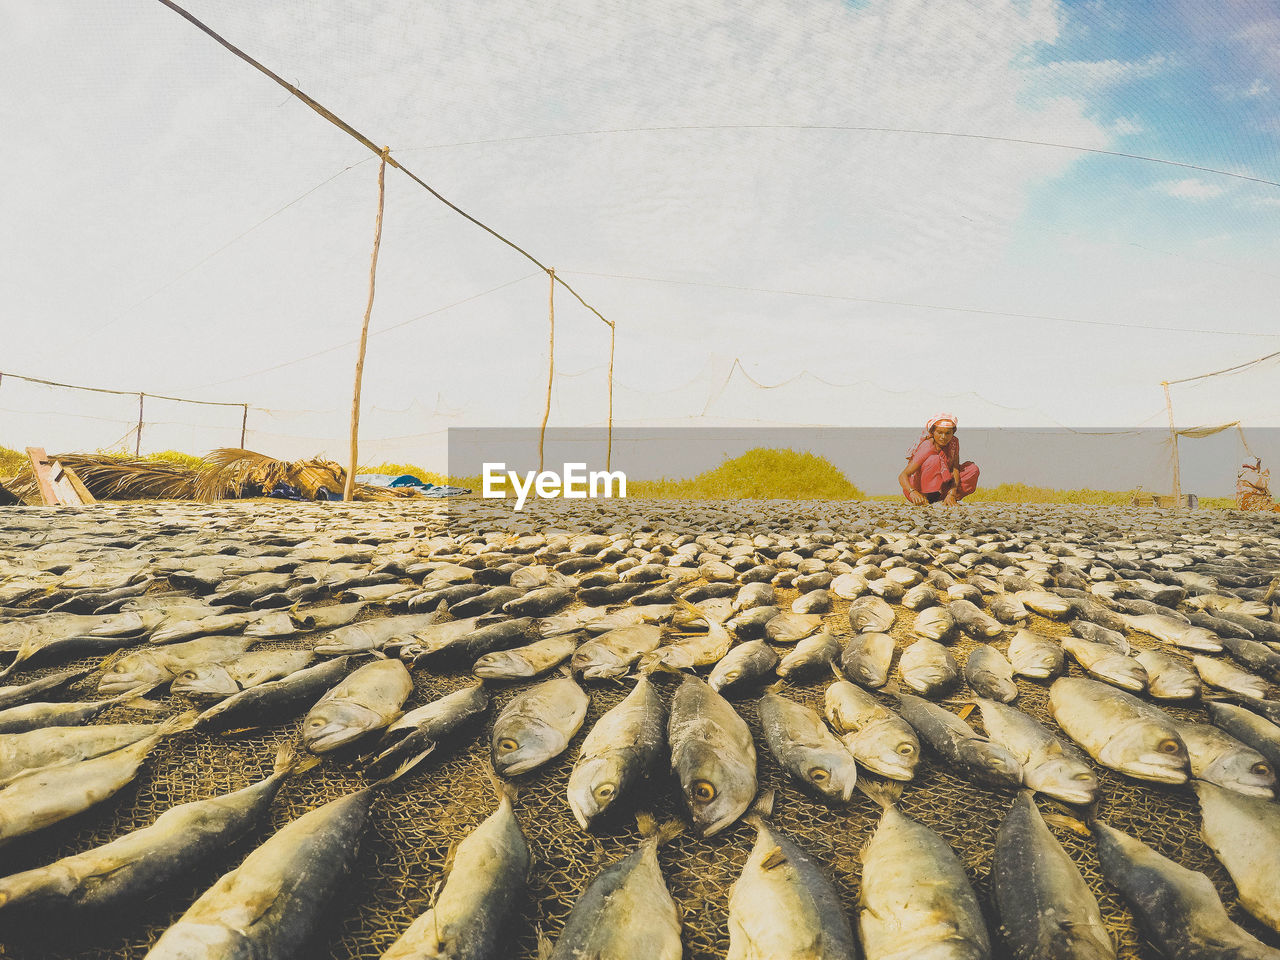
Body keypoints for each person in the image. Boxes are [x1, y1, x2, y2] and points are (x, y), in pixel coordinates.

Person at [899, 414, 980, 505]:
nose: (943, 437)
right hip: (918, 491)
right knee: (934, 460)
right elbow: (903, 475)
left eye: (947, 433)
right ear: (933, 432)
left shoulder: (954, 442)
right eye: (939, 432)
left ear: (953, 433)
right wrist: (912, 492)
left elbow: (955, 468)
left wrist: (952, 493)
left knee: (972, 469)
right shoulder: (927, 446)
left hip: (943, 486)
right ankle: (927, 498)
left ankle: (947, 498)